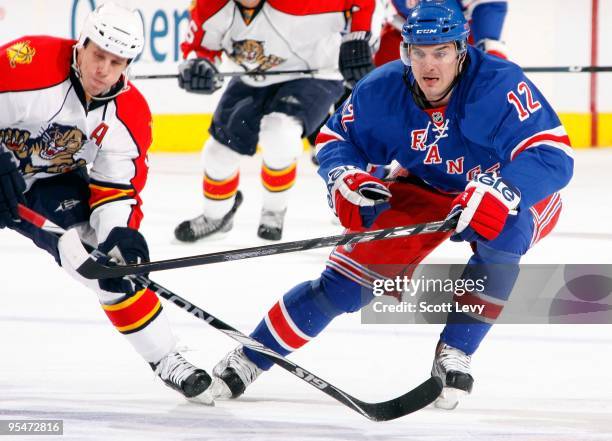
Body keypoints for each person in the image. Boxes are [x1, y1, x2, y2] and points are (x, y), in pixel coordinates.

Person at [208, 0, 574, 409]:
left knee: (504, 234)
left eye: (441, 52)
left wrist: (503, 190)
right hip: (425, 183)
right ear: (405, 52)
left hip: (505, 183)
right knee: (345, 286)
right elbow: (336, 140)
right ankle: (252, 355)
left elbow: (553, 154)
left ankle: (456, 351)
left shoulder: (500, 83)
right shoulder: (383, 89)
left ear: (461, 49)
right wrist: (345, 177)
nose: (429, 65)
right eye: (419, 52)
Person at [0, 3, 213, 404]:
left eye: (116, 62)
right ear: (82, 44)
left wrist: (120, 234)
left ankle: (166, 357)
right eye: (98, 55)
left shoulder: (129, 114)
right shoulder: (28, 61)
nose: (103, 70)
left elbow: (116, 188)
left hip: (48, 186)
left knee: (104, 268)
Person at [174, 0, 376, 242]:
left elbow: (361, 4)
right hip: (251, 78)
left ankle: (273, 210)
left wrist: (357, 37)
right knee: (218, 153)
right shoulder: (210, 5)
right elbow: (201, 47)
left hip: (314, 74)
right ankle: (216, 216)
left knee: (281, 133)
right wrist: (200, 65)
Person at [374, 0, 508, 66]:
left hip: (455, 37)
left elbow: (487, 6)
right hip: (404, 33)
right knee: (379, 83)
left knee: (490, 68)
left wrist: (489, 52)